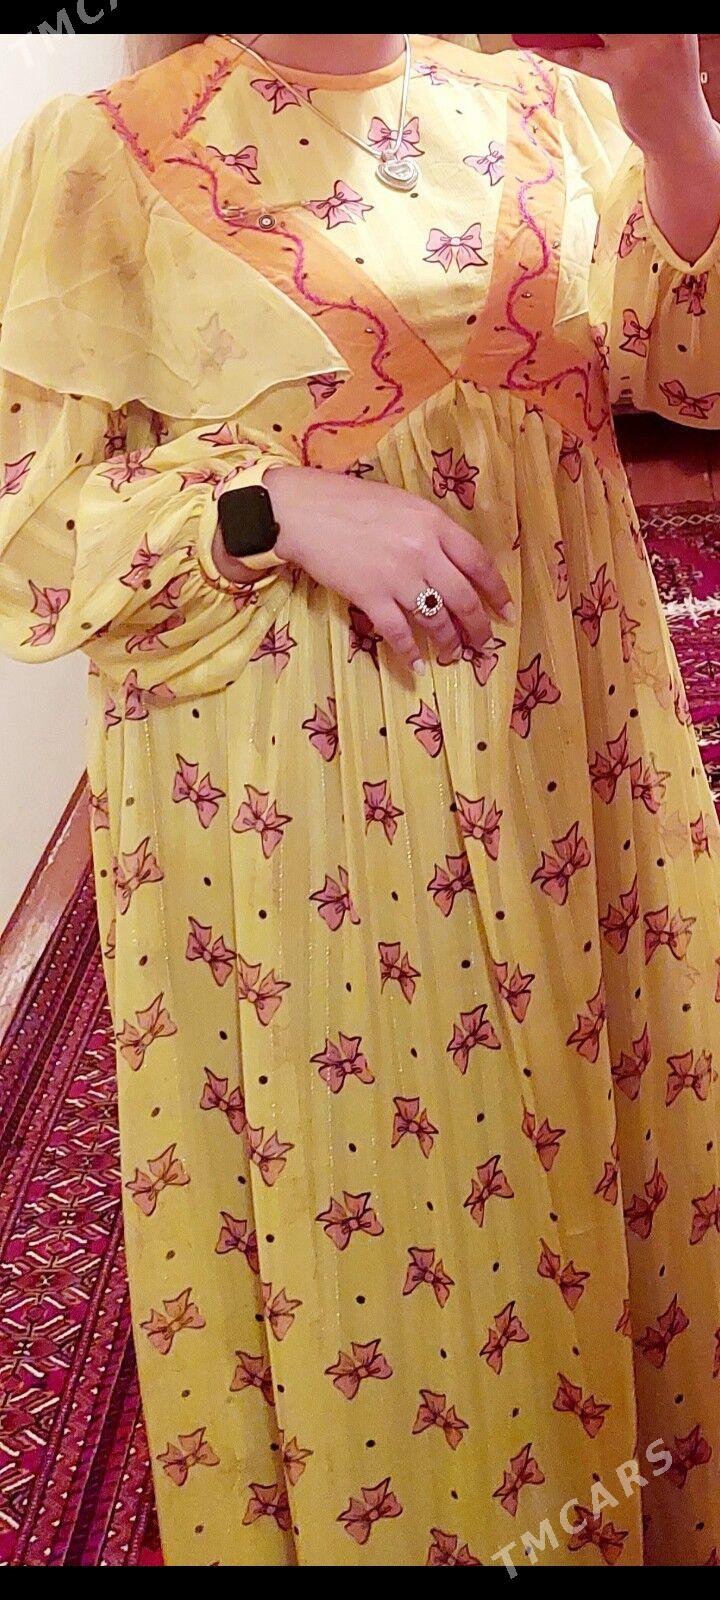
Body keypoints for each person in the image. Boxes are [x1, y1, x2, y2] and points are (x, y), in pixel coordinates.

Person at [0, 30, 718, 1568]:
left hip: (569, 737)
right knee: (398, 1204)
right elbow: (31, 519)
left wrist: (674, 125)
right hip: (311, 789)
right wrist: (270, 503)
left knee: (595, 1134)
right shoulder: (108, 154)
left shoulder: (553, 110)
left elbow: (690, 370)